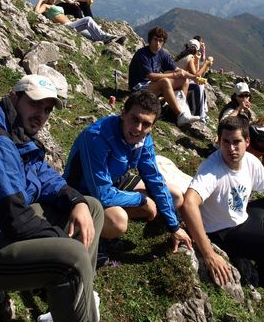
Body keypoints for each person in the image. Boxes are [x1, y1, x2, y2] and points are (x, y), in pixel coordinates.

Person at [0, 74, 113, 322]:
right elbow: (14, 218)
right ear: (14, 98)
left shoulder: (19, 136)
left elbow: (47, 177)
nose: (41, 114)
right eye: (35, 104)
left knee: (91, 207)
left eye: (47, 109)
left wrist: (76, 201)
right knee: (71, 258)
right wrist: (62, 241)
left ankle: (66, 316)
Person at [180, 116, 264, 299]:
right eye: (225, 142)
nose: (231, 148)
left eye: (236, 142)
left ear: (247, 142)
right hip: (223, 231)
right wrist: (208, 253)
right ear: (219, 141)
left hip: (242, 215)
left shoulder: (250, 161)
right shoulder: (212, 169)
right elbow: (189, 204)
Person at [63, 90, 192, 257]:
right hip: (83, 192)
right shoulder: (97, 137)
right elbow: (102, 195)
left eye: (146, 124)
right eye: (134, 119)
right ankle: (101, 237)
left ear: (152, 126)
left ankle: (106, 223)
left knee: (175, 196)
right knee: (119, 221)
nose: (138, 129)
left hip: (115, 181)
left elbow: (154, 179)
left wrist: (173, 226)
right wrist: (142, 200)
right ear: (123, 113)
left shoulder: (144, 139)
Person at [128, 27, 200, 129]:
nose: (157, 43)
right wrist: (173, 75)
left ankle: (176, 112)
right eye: (155, 40)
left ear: (163, 42)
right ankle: (180, 115)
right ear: (150, 40)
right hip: (138, 88)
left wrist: (194, 77)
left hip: (152, 86)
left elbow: (178, 71)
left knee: (184, 81)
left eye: (160, 41)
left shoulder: (162, 53)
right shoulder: (142, 54)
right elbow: (151, 76)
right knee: (165, 82)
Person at [219, 82, 264, 182]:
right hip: (233, 143)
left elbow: (244, 126)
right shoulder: (231, 108)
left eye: (247, 95)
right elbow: (224, 123)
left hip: (244, 140)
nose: (245, 98)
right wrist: (239, 108)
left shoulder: (246, 109)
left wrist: (257, 124)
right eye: (241, 96)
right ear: (235, 96)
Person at [35, 0, 125, 45]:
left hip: (71, 23)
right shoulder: (46, 6)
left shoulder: (56, 6)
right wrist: (40, 1)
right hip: (66, 27)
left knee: (92, 36)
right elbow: (36, 12)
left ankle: (112, 43)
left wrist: (73, 19)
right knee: (88, 20)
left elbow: (61, 16)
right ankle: (104, 37)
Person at [175, 38, 214, 122]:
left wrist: (198, 60)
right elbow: (197, 75)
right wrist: (206, 64)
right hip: (181, 84)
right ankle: (198, 114)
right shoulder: (190, 57)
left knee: (201, 82)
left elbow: (194, 73)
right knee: (199, 85)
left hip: (178, 82)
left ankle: (202, 112)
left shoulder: (182, 55)